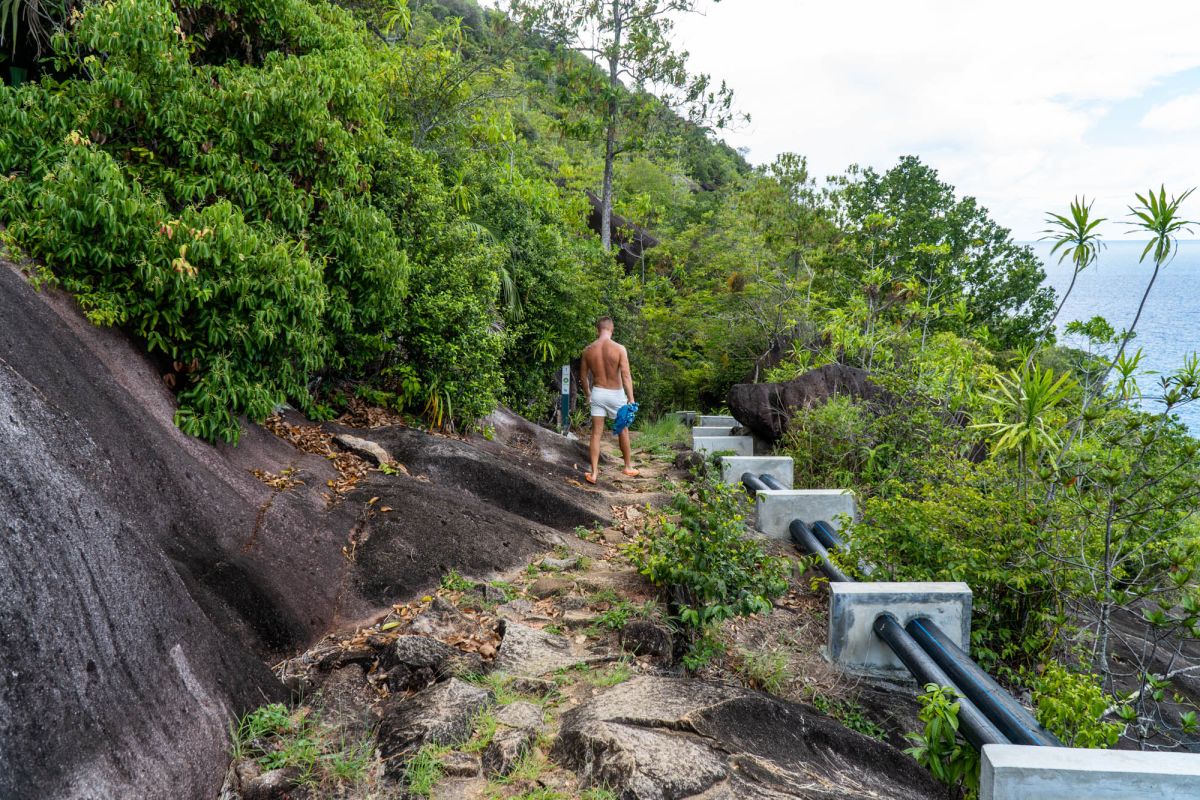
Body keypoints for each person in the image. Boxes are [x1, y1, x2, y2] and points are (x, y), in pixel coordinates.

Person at [580, 316, 639, 485]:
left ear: (597, 329)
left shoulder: (588, 350)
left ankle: (594, 473)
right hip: (616, 394)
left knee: (596, 433)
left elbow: (583, 376)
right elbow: (626, 375)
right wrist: (631, 398)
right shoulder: (619, 348)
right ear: (611, 329)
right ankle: (627, 466)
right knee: (623, 430)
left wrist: (588, 394)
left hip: (598, 393)